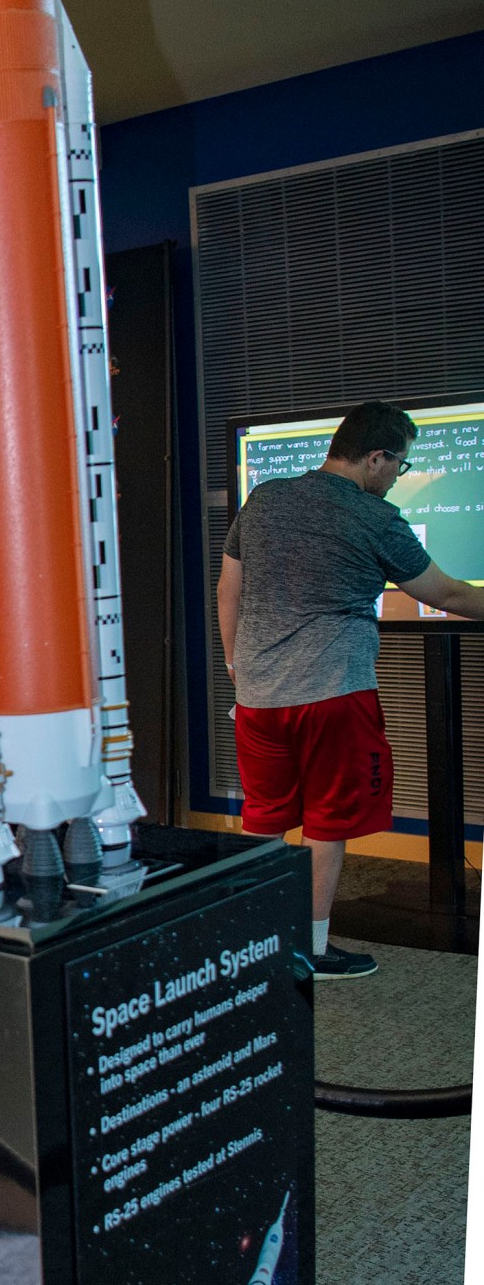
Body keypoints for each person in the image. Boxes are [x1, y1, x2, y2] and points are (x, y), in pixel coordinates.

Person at [218, 401, 484, 978]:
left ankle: (251, 941)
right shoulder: (375, 518)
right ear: (375, 457)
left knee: (263, 819)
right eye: (400, 466)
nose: (397, 478)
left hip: (259, 699)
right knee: (329, 823)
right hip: (335, 695)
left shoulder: (264, 499)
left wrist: (239, 668)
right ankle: (311, 951)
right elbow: (451, 596)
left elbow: (228, 589)